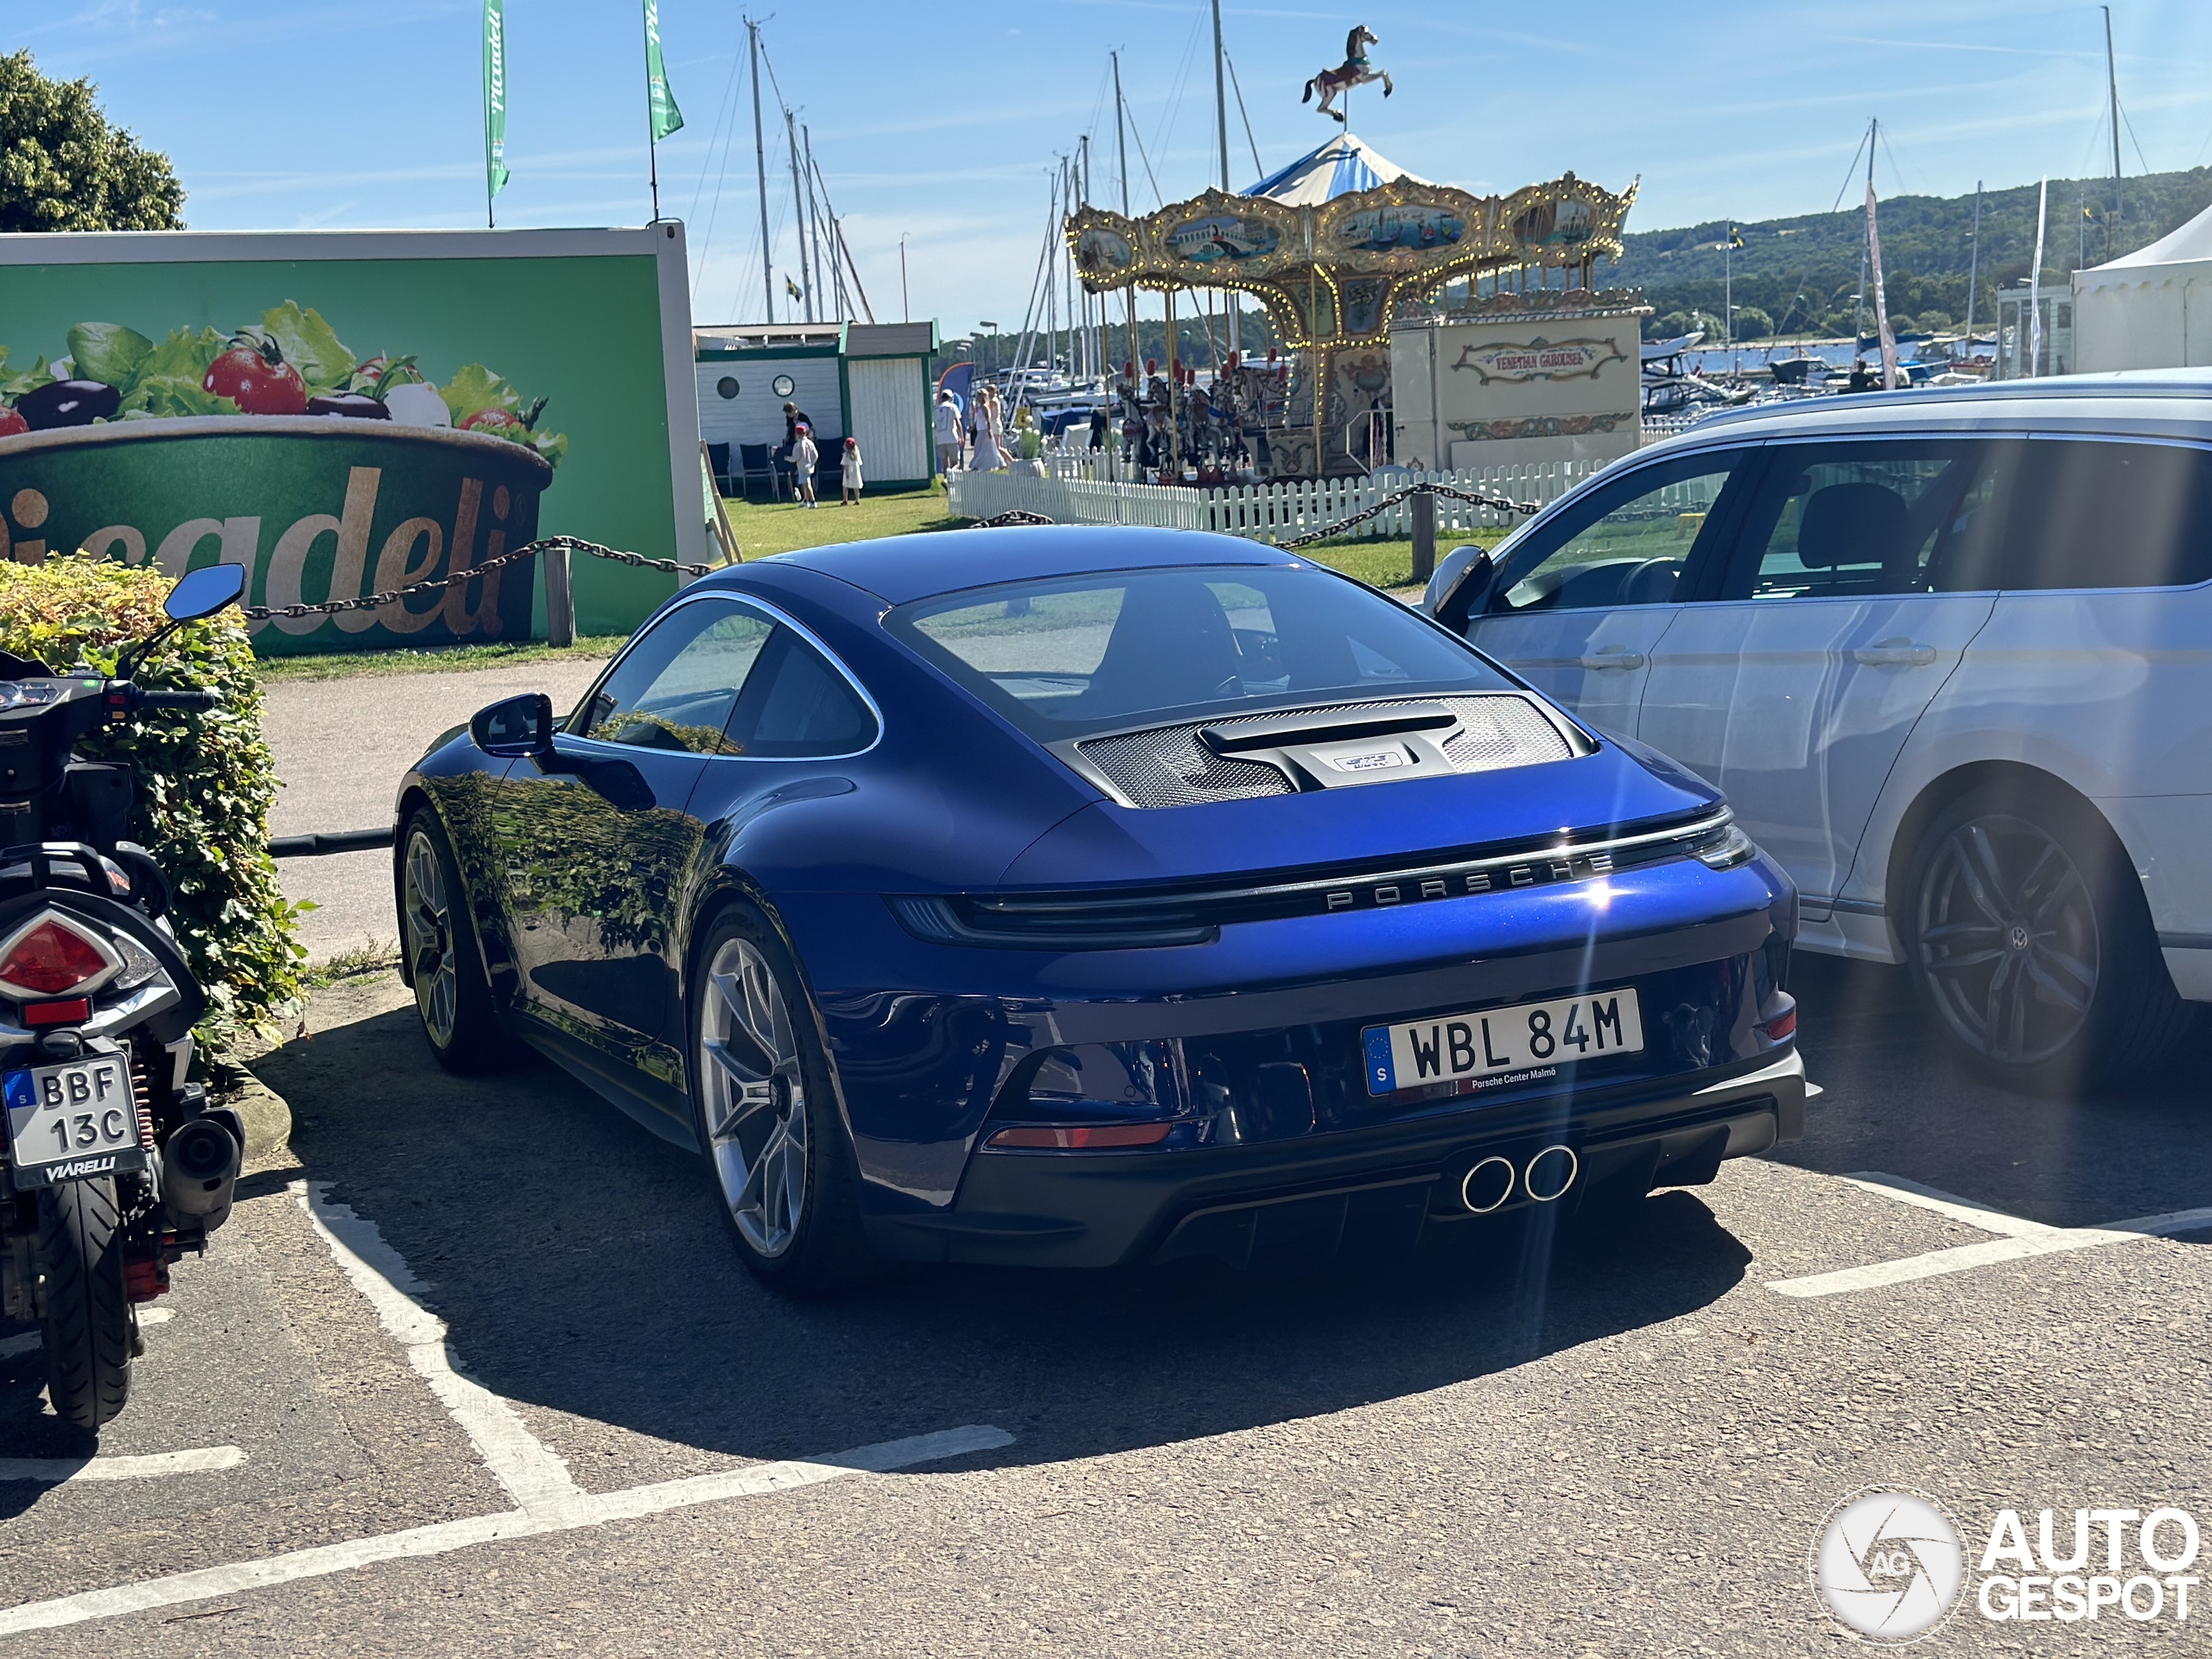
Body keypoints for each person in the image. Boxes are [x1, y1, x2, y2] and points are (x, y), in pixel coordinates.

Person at [779, 400, 816, 497]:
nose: (788, 415)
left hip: (802, 442)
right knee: (791, 467)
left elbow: (812, 429)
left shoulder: (803, 417)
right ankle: (792, 490)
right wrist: (786, 439)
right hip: (792, 442)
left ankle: (806, 495)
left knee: (802, 468)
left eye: (788, 413)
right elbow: (788, 429)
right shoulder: (789, 418)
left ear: (793, 411)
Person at [791, 422, 820, 507]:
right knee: (804, 483)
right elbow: (815, 455)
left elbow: (796, 457)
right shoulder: (810, 443)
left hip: (802, 466)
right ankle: (806, 500)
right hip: (810, 466)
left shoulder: (798, 445)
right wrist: (812, 463)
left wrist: (788, 459)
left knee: (807, 484)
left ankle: (813, 501)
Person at [935, 391, 963, 474]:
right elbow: (958, 422)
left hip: (940, 439)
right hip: (951, 437)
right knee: (956, 463)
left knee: (945, 464)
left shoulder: (936, 409)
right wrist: (961, 436)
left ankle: (946, 480)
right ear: (950, 398)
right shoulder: (953, 407)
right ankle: (950, 474)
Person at [840, 435, 864, 505]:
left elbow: (846, 465)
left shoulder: (846, 455)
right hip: (856, 472)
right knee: (856, 486)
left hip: (848, 472)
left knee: (845, 486)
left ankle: (845, 499)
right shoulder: (857, 454)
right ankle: (857, 500)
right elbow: (860, 463)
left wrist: (847, 473)